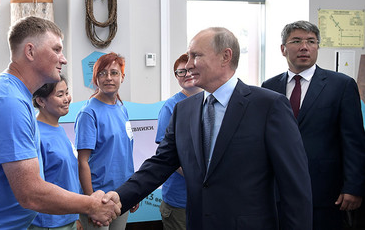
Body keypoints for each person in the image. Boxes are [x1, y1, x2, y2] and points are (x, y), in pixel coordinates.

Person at [107, 27, 313, 229]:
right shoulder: (183, 110)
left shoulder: (268, 106)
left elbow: (295, 186)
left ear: (225, 56)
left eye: (195, 56)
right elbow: (160, 164)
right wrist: (119, 197)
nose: (188, 65)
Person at [0, 16, 121, 229]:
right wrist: (90, 204)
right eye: (57, 50)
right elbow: (30, 194)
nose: (64, 59)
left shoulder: (17, 97)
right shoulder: (9, 101)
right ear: (30, 52)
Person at [262, 20, 365, 230]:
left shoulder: (341, 85)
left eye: (311, 41)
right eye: (296, 41)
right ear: (283, 49)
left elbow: (354, 141)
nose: (304, 47)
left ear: (317, 47)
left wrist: (354, 186)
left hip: (326, 191)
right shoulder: (269, 87)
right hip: (278, 190)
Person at [75, 52, 138, 229]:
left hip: (121, 195)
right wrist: (91, 202)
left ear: (122, 77)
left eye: (114, 73)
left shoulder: (121, 108)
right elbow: (82, 162)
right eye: (102, 73)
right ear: (95, 79)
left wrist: (132, 191)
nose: (108, 78)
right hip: (99, 197)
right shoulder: (89, 113)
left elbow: (126, 154)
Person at [155, 53, 202, 230]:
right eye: (181, 72)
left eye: (190, 70)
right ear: (176, 77)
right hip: (180, 200)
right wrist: (197, 178)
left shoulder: (211, 101)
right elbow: (167, 155)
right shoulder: (170, 107)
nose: (187, 74)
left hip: (207, 199)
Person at [29, 76, 83, 230]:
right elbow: (36, 187)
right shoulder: (37, 135)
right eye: (60, 95)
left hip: (68, 218)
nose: (67, 99)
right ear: (41, 101)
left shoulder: (58, 128)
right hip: (49, 222)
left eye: (67, 93)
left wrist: (76, 216)